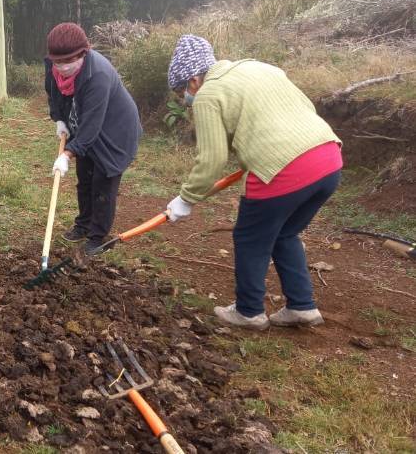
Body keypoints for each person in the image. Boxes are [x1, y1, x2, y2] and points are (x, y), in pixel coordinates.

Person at [165, 35, 343, 330]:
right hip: (328, 158)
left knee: (250, 238)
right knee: (285, 233)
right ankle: (302, 306)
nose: (184, 97)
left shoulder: (208, 95)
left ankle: (248, 312)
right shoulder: (259, 68)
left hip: (283, 170)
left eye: (181, 90)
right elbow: (304, 107)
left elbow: (212, 159)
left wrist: (186, 199)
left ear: (194, 80)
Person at [45, 22, 143, 256]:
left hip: (115, 131)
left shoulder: (97, 74)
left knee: (102, 184)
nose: (63, 67)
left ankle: (97, 237)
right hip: (87, 125)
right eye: (58, 62)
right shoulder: (54, 65)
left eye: (69, 61)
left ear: (83, 53)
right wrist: (59, 119)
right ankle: (83, 224)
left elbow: (93, 125)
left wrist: (67, 154)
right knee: (85, 179)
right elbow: (53, 93)